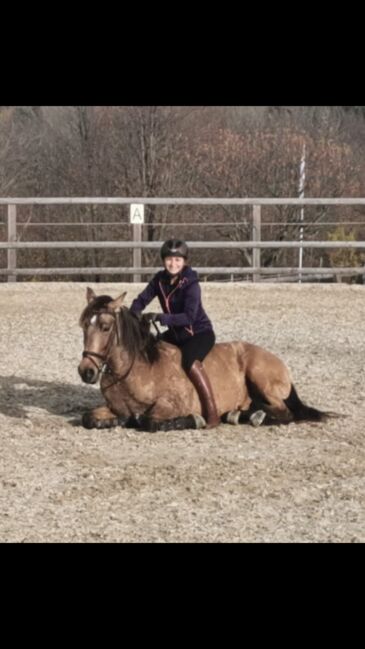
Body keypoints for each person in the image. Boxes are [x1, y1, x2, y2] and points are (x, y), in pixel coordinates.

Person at [129, 238, 220, 427]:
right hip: (176, 334)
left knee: (189, 361)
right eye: (169, 259)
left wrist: (162, 318)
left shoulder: (192, 284)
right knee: (151, 348)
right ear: (163, 261)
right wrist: (134, 313)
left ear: (184, 262)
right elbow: (142, 299)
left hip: (198, 333)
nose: (173, 263)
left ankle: (212, 412)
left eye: (178, 260)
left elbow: (189, 317)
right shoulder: (159, 280)